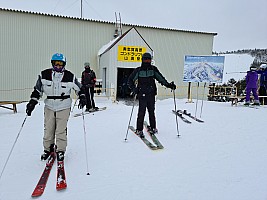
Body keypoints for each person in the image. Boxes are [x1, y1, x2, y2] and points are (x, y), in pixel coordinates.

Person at [26, 53, 87, 161]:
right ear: (52, 64)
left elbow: (79, 88)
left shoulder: (70, 76)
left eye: (60, 64)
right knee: (48, 129)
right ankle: (47, 149)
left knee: (60, 130)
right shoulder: (44, 75)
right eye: (56, 64)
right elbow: (37, 90)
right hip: (49, 105)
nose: (58, 66)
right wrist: (32, 102)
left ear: (64, 64)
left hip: (64, 106)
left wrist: (82, 96)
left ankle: (60, 150)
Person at [127, 52, 176, 138]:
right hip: (142, 94)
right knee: (141, 113)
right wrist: (134, 89)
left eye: (149, 59)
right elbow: (130, 80)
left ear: (151, 60)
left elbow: (161, 79)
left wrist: (169, 85)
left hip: (151, 94)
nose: (147, 61)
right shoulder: (138, 70)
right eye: (145, 59)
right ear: (142, 60)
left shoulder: (153, 70)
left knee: (151, 112)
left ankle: (153, 127)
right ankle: (139, 130)